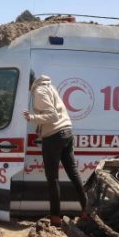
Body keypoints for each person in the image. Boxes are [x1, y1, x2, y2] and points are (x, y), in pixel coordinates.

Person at [23, 72, 88, 226]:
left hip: (54, 136)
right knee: (73, 173)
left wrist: (32, 118)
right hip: (67, 132)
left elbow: (52, 116)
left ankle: (55, 217)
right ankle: (87, 210)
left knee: (53, 178)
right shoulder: (48, 86)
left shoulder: (39, 91)